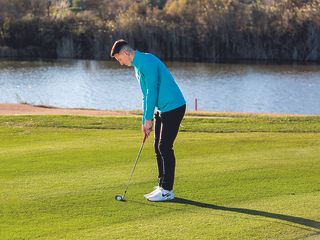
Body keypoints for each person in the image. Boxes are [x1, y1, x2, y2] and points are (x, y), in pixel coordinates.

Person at [110, 39, 186, 202]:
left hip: (174, 106)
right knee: (157, 147)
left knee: (165, 147)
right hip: (162, 109)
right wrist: (145, 119)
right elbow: (145, 96)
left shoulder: (147, 62)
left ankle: (167, 190)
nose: (120, 63)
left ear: (126, 53)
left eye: (119, 59)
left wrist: (149, 119)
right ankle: (161, 185)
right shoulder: (137, 68)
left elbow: (152, 91)